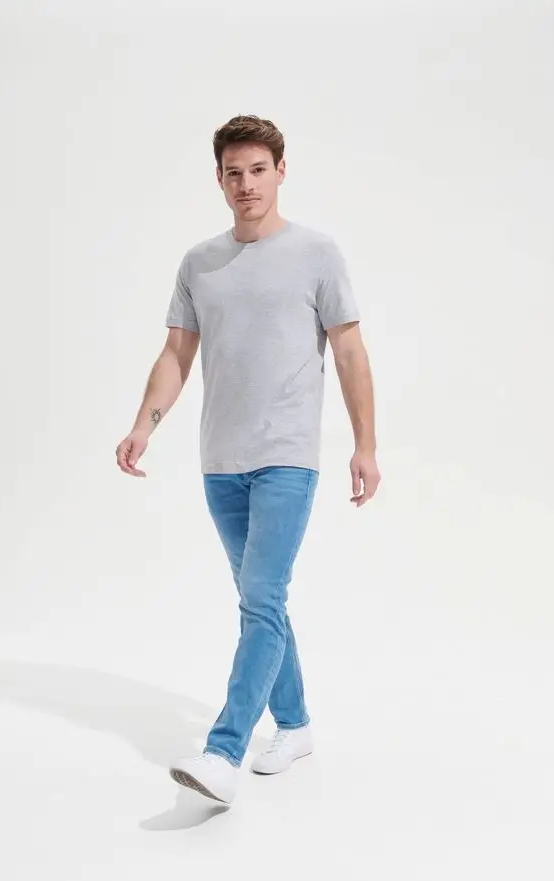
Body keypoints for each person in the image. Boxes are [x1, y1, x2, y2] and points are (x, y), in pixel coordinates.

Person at [116, 114, 380, 806]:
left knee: (261, 598)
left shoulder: (316, 253)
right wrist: (144, 426)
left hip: (287, 457)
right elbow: (176, 354)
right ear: (219, 179)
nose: (246, 184)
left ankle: (223, 751)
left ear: (280, 171)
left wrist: (365, 444)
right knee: (261, 602)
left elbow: (349, 351)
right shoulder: (199, 263)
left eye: (258, 170)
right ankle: (294, 725)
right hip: (220, 462)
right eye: (233, 173)